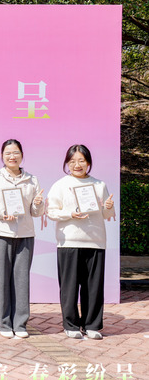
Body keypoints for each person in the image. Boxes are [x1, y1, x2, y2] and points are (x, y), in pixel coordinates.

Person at [47, 144, 115, 340]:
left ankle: (92, 325)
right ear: (67, 163)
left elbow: (107, 214)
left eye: (81, 161)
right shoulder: (60, 185)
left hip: (95, 241)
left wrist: (108, 206)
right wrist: (70, 214)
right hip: (69, 242)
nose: (77, 165)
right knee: (69, 287)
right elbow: (51, 212)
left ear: (88, 163)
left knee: (93, 287)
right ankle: (71, 325)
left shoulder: (99, 185)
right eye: (72, 161)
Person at [0, 139, 44, 339]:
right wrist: (2, 214)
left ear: (22, 155)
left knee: (21, 279)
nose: (12, 156)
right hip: (1, 233)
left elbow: (36, 212)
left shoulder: (32, 180)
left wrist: (38, 203)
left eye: (16, 152)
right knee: (1, 279)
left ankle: (20, 323)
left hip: (25, 234)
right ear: (2, 156)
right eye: (8, 153)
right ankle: (3, 323)